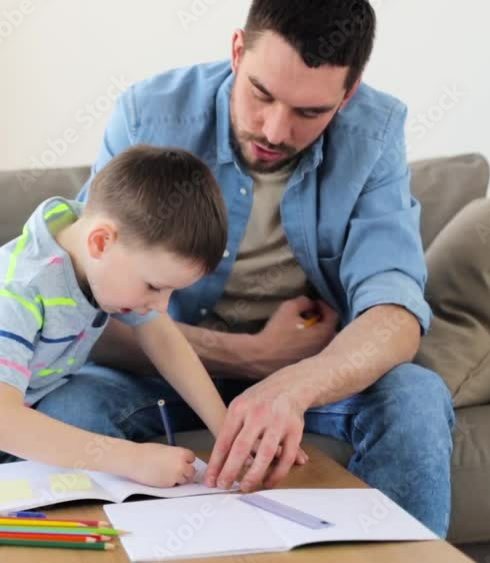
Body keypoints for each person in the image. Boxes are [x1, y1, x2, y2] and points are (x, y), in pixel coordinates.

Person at [32, 0, 456, 537]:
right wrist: (252, 357)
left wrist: (292, 386)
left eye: (310, 113)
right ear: (237, 51)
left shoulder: (376, 134)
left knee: (417, 399)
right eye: (262, 94)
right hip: (157, 374)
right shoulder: (148, 115)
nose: (276, 130)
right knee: (67, 404)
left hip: (305, 375)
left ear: (347, 94)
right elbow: (85, 305)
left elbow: (394, 313)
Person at [0, 145, 230, 563]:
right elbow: (0, 423)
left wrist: (224, 429)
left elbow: (162, 336)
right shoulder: (19, 291)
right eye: (154, 287)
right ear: (101, 241)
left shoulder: (100, 250)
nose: (160, 305)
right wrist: (135, 460)